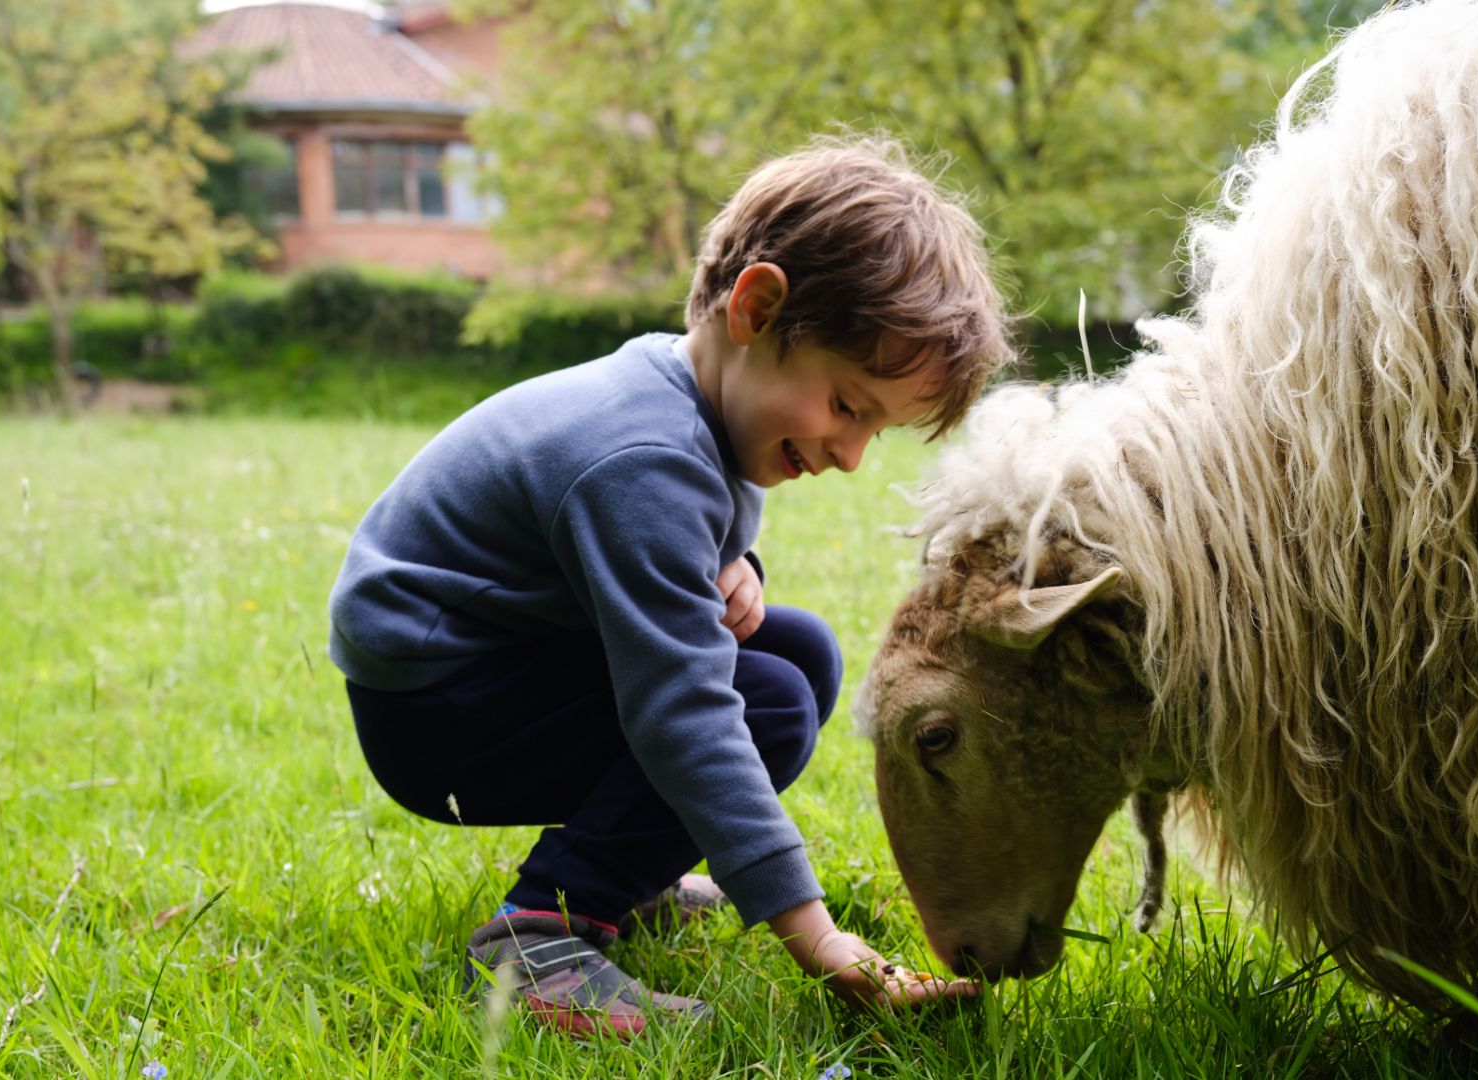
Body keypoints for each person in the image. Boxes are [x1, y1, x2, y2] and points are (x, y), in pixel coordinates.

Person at [328, 134, 1015, 1037]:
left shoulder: (698, 404)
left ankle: (625, 878)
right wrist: (815, 935)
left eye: (874, 432)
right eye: (848, 406)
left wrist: (737, 572)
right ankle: (541, 936)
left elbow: (658, 561)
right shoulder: (641, 456)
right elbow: (681, 708)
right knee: (760, 699)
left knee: (795, 652)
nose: (848, 455)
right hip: (437, 707)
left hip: (500, 664)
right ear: (756, 309)